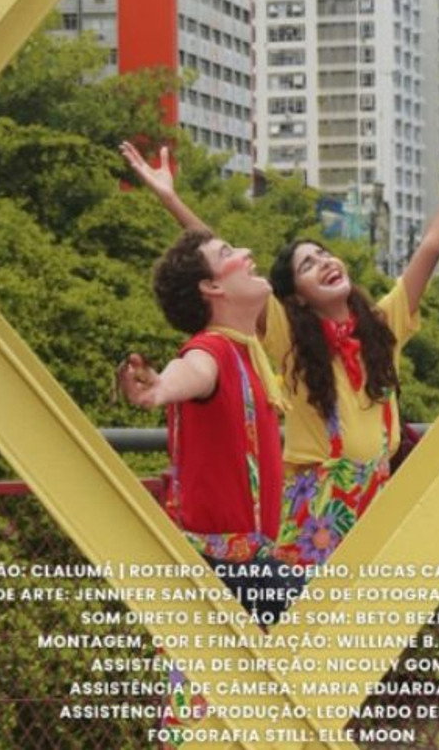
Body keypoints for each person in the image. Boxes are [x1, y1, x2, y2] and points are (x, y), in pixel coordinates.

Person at [119, 117, 439, 564]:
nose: (325, 262)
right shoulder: (290, 337)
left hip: (378, 503)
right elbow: (224, 268)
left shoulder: (382, 325)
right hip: (313, 515)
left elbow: (430, 246)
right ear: (296, 296)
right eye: (308, 265)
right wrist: (171, 199)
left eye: (324, 254)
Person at [117, 228, 300, 611]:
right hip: (226, 569)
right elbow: (193, 370)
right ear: (212, 287)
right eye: (228, 252)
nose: (247, 251)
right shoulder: (212, 348)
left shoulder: (246, 352)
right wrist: (160, 388)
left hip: (248, 563)